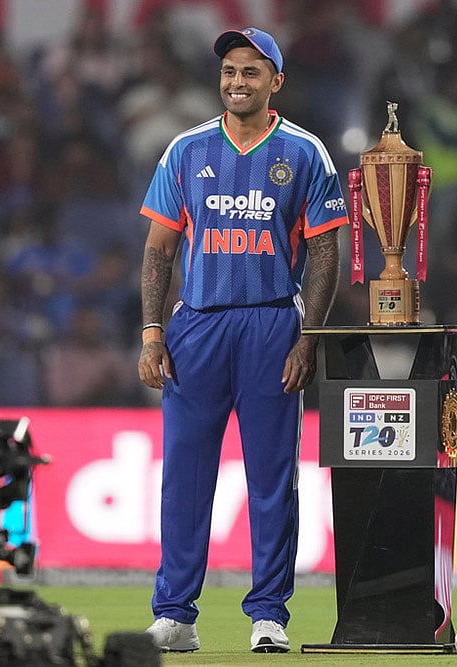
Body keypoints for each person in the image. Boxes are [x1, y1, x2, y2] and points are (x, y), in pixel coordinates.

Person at [136, 27, 346, 654]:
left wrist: (309, 337)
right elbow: (159, 249)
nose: (237, 82)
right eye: (229, 70)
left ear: (275, 81)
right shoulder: (186, 149)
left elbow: (325, 250)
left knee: (272, 478)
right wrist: (151, 332)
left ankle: (269, 615)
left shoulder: (304, 152)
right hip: (197, 326)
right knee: (184, 477)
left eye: (251, 71)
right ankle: (175, 615)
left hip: (271, 324)